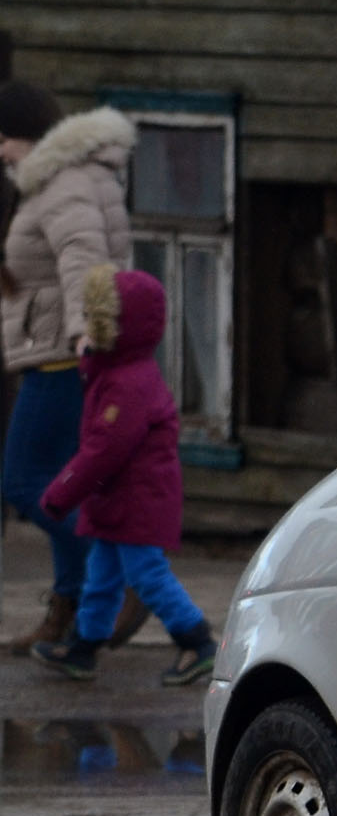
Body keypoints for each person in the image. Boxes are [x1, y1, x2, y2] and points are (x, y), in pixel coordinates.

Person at [1, 84, 149, 655]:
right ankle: (67, 610)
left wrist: (86, 335)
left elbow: (83, 259)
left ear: (24, 133)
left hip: (66, 357)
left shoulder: (61, 183)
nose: (0, 154)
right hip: (64, 351)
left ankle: (125, 572)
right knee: (63, 484)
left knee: (21, 480)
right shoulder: (71, 178)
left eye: (2, 140)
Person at [31, 266, 215, 685]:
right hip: (121, 502)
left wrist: (61, 493)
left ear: (121, 327)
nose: (92, 329)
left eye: (101, 322)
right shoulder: (120, 372)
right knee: (102, 575)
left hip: (138, 501)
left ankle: (197, 640)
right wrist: (91, 355)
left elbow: (103, 451)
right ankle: (83, 649)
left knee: (146, 574)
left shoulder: (128, 385)